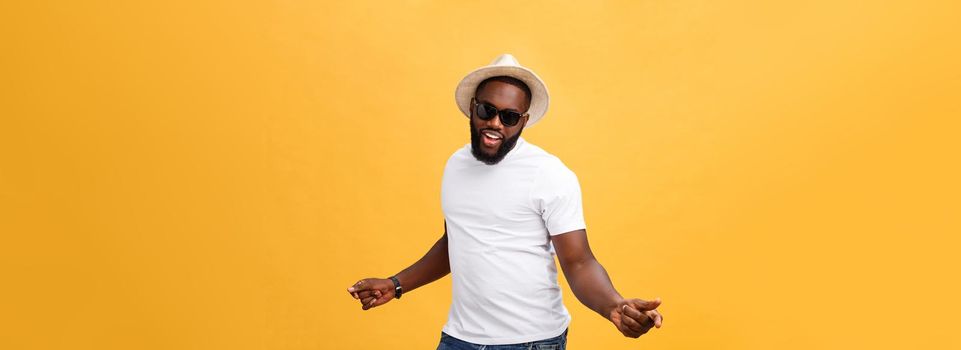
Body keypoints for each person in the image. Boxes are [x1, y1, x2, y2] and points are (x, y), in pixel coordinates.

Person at [347, 54, 663, 349]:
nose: (496, 123)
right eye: (488, 110)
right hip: (460, 338)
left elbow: (578, 261)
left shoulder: (549, 173)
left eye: (509, 116)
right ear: (473, 108)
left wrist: (613, 305)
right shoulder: (456, 166)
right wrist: (396, 284)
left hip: (531, 340)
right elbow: (455, 241)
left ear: (523, 122)